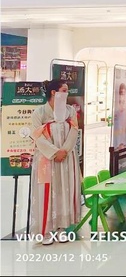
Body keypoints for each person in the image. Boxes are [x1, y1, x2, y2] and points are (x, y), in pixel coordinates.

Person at [30, 79, 82, 245]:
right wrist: (54, 152)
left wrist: (64, 151)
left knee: (64, 190)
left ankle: (61, 228)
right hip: (46, 160)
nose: (67, 93)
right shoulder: (39, 113)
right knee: (46, 191)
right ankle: (45, 231)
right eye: (64, 90)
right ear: (54, 92)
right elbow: (37, 137)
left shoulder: (70, 111)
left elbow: (74, 131)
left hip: (67, 159)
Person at [112, 82, 126, 151]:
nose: (123, 92)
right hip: (120, 114)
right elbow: (119, 105)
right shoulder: (119, 97)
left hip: (124, 114)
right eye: (122, 90)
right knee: (120, 128)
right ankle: (119, 143)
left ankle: (123, 142)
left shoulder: (125, 97)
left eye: (124, 90)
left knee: (124, 128)